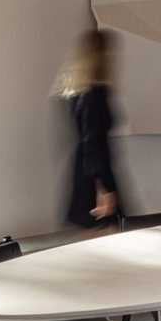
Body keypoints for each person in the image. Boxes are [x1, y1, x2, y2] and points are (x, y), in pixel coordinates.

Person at [54, 28, 122, 233]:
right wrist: (103, 188)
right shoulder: (95, 93)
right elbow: (92, 141)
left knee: (101, 236)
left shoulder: (76, 92)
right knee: (107, 233)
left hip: (86, 168)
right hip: (96, 172)